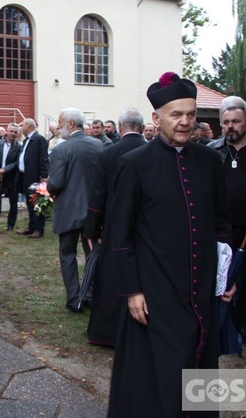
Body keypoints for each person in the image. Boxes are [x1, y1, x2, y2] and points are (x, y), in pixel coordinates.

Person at [107, 72, 231, 416]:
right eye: (176, 114)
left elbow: (222, 224)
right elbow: (120, 234)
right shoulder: (134, 164)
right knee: (158, 372)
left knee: (199, 366)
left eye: (191, 114)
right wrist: (132, 290)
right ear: (156, 117)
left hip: (201, 286)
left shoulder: (209, 161)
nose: (185, 122)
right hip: (154, 288)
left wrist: (224, 277)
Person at [207, 96, 246, 344]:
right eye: (226, 122)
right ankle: (222, 320)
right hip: (220, 226)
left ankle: (243, 322)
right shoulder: (212, 151)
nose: (230, 126)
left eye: (236, 121)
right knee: (221, 274)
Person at [83, 108, 146, 345]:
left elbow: (98, 194)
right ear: (141, 127)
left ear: (120, 127)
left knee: (110, 276)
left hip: (114, 223)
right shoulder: (151, 150)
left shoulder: (109, 153)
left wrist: (91, 229)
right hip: (145, 224)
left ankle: (106, 332)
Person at [46, 108, 102, 313]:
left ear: (70, 124)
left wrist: (48, 187)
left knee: (67, 254)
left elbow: (56, 183)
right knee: (92, 254)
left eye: (61, 122)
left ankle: (74, 298)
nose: (59, 127)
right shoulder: (99, 145)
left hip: (69, 209)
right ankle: (90, 294)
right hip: (94, 210)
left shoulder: (61, 149)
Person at [16, 118, 48, 238]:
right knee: (29, 203)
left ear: (29, 126)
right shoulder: (27, 140)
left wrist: (43, 176)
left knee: (37, 203)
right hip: (26, 175)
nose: (21, 127)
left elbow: (43, 158)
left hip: (35, 177)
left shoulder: (39, 139)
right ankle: (31, 226)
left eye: (22, 125)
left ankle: (39, 229)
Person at [0, 123, 22, 231]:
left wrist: (5, 169)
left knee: (13, 203)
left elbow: (17, 163)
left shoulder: (19, 147)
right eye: (11, 131)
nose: (13, 133)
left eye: (15, 132)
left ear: (17, 134)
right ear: (7, 131)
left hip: (11, 178)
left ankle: (10, 225)